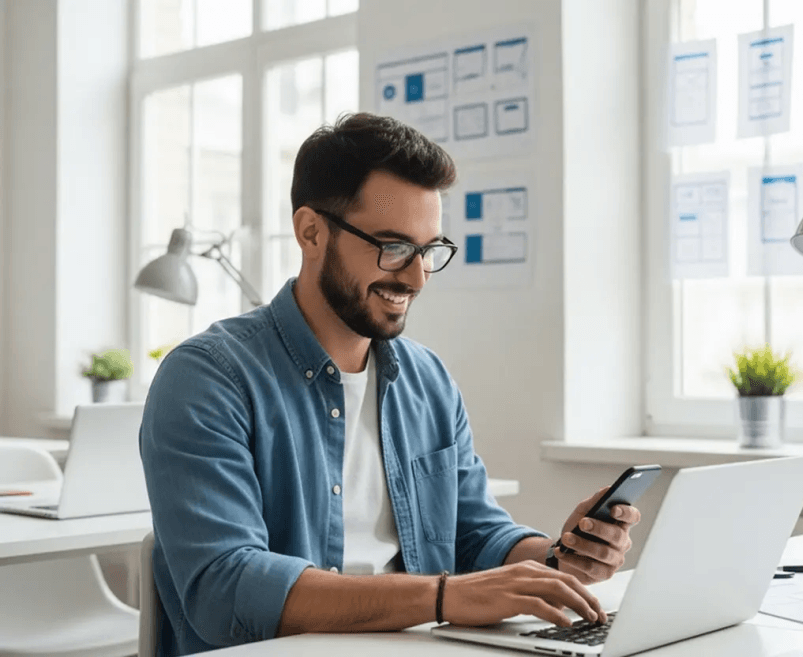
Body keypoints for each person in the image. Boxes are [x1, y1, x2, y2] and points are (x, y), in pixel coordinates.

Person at [140, 112, 642, 656]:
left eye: (428, 250)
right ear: (311, 232)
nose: (416, 276)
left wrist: (555, 561)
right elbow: (226, 588)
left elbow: (474, 533)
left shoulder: (426, 379)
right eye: (394, 247)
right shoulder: (209, 378)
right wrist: (444, 597)